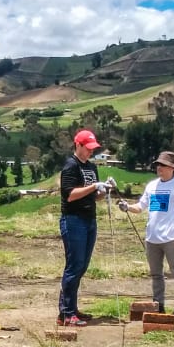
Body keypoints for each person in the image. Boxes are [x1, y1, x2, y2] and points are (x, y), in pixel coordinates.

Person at [118, 151, 174, 321]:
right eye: (158, 165)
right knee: (156, 274)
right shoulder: (152, 186)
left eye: (163, 165)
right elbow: (141, 206)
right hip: (152, 237)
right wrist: (127, 207)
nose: (159, 168)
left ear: (172, 168)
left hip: (171, 237)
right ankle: (158, 304)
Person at [57, 129, 115, 327]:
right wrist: (93, 186)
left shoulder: (91, 167)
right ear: (78, 145)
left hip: (89, 219)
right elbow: (70, 195)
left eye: (93, 149)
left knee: (82, 266)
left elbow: (93, 197)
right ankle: (66, 313)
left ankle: (71, 308)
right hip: (73, 220)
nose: (91, 152)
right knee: (74, 266)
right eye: (88, 148)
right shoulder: (70, 166)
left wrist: (104, 190)